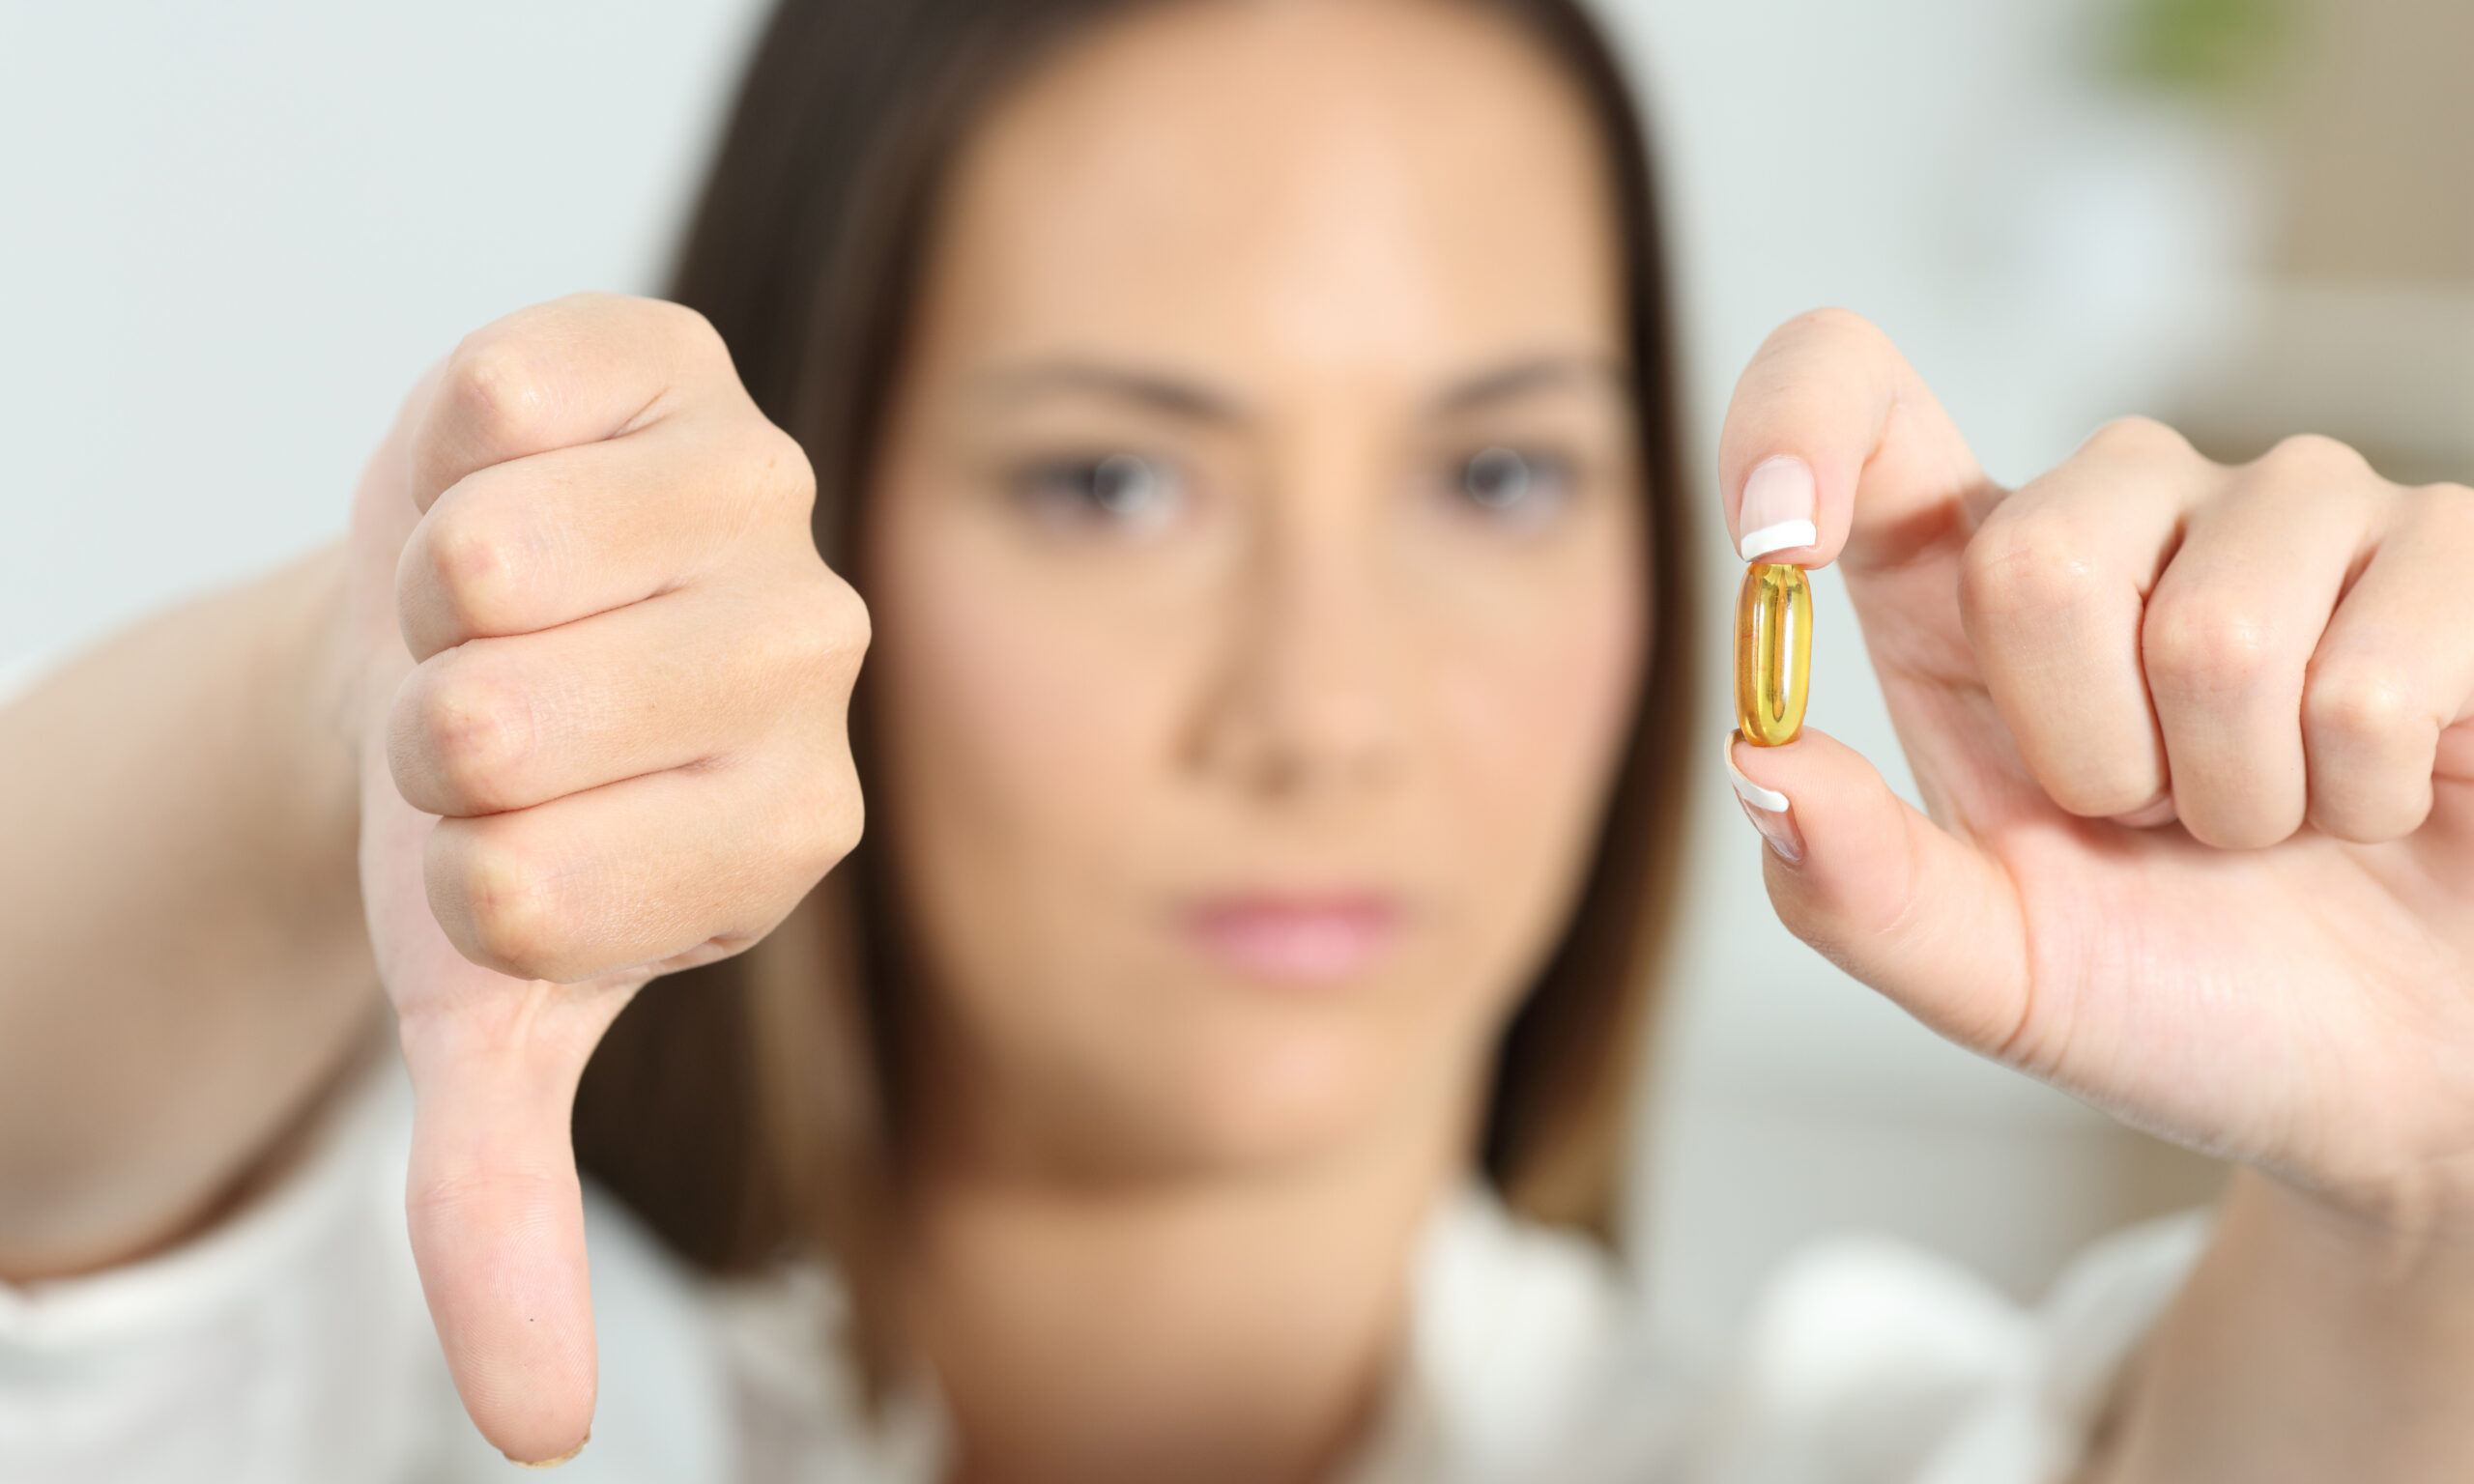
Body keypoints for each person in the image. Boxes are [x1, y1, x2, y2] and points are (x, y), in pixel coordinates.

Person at [4, 0, 2472, 1479]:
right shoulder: (376, 1411)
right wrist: (370, 692)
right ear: (801, 531)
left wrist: (2426, 1179)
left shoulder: (1838, 1451)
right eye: (1111, 483)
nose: (1322, 714)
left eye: (1495, 478)